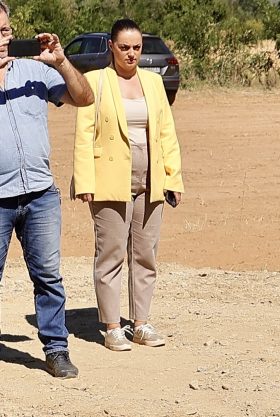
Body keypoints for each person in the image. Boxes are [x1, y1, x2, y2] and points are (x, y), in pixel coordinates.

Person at [73, 18, 183, 351]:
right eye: (124, 47)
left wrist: (173, 176)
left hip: (151, 179)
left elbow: (166, 132)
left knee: (145, 253)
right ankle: (110, 326)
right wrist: (84, 181)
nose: (131, 54)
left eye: (136, 48)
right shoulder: (96, 81)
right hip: (108, 179)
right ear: (111, 47)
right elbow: (83, 135)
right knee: (110, 254)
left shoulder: (152, 82)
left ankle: (141, 323)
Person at [0, 2, 93, 378]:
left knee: (48, 276)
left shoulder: (34, 69)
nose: (4, 39)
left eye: (6, 30)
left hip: (39, 194)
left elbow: (84, 98)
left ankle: (56, 349)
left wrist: (61, 62)